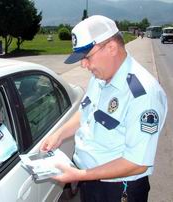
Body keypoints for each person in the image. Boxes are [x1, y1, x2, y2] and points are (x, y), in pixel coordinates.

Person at [40, 15, 167, 202]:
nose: (83, 65)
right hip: (90, 179)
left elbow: (137, 163)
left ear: (111, 48)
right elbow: (85, 112)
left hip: (118, 190)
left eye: (86, 57)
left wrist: (79, 175)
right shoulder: (100, 77)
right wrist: (59, 134)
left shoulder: (143, 94)